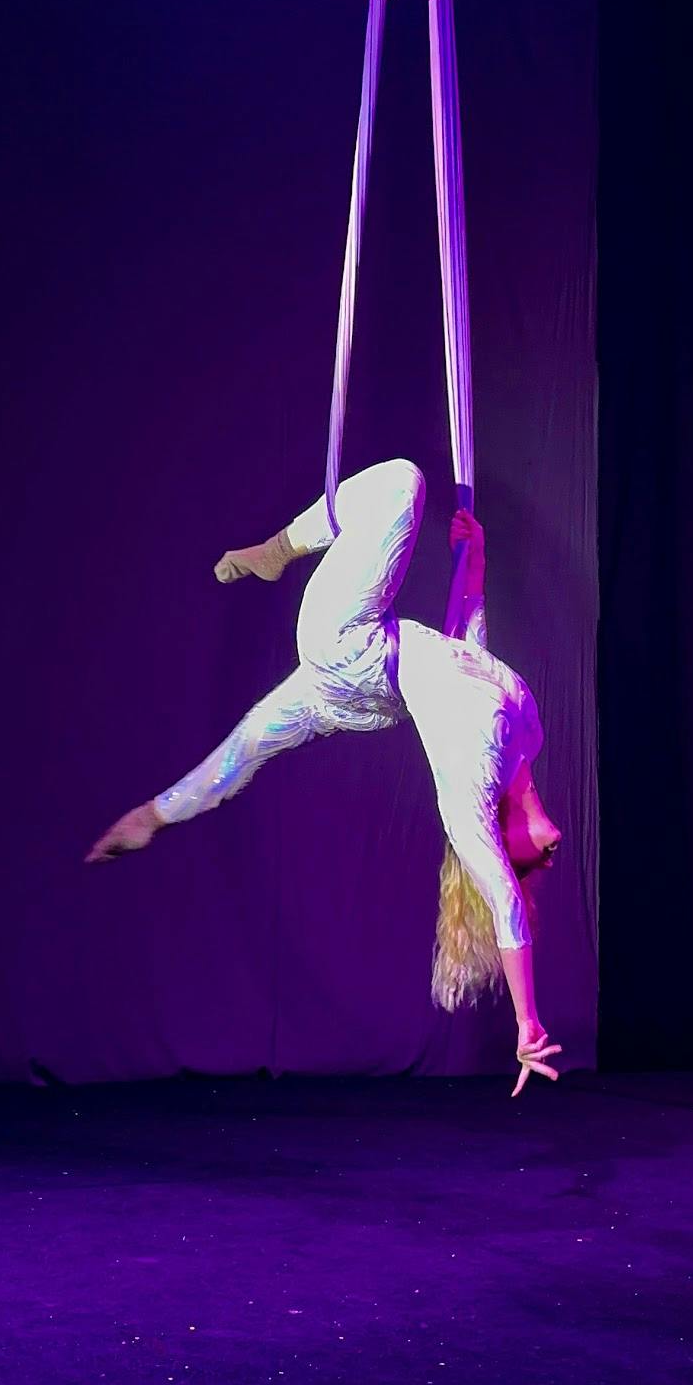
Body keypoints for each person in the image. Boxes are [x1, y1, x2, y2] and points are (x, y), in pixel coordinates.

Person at [87, 459, 563, 1095]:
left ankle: (276, 550)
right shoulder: (527, 738)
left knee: (400, 483)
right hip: (358, 685)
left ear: (504, 843)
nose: (548, 857)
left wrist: (527, 1024)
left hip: (349, 648)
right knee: (245, 748)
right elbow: (466, 652)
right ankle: (154, 815)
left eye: (529, 862)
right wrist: (472, 562)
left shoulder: (468, 795)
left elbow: (503, 901)